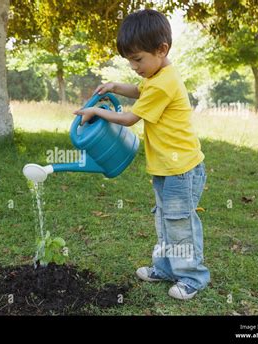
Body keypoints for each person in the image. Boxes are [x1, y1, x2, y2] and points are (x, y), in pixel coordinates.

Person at [73, 9, 210, 300]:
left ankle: (192, 277)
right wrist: (113, 86)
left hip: (181, 169)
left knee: (179, 223)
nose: (135, 66)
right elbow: (139, 90)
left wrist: (97, 111)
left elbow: (130, 119)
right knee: (164, 219)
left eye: (138, 59)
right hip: (166, 167)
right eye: (130, 60)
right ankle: (164, 268)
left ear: (162, 50)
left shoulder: (163, 82)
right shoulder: (158, 74)